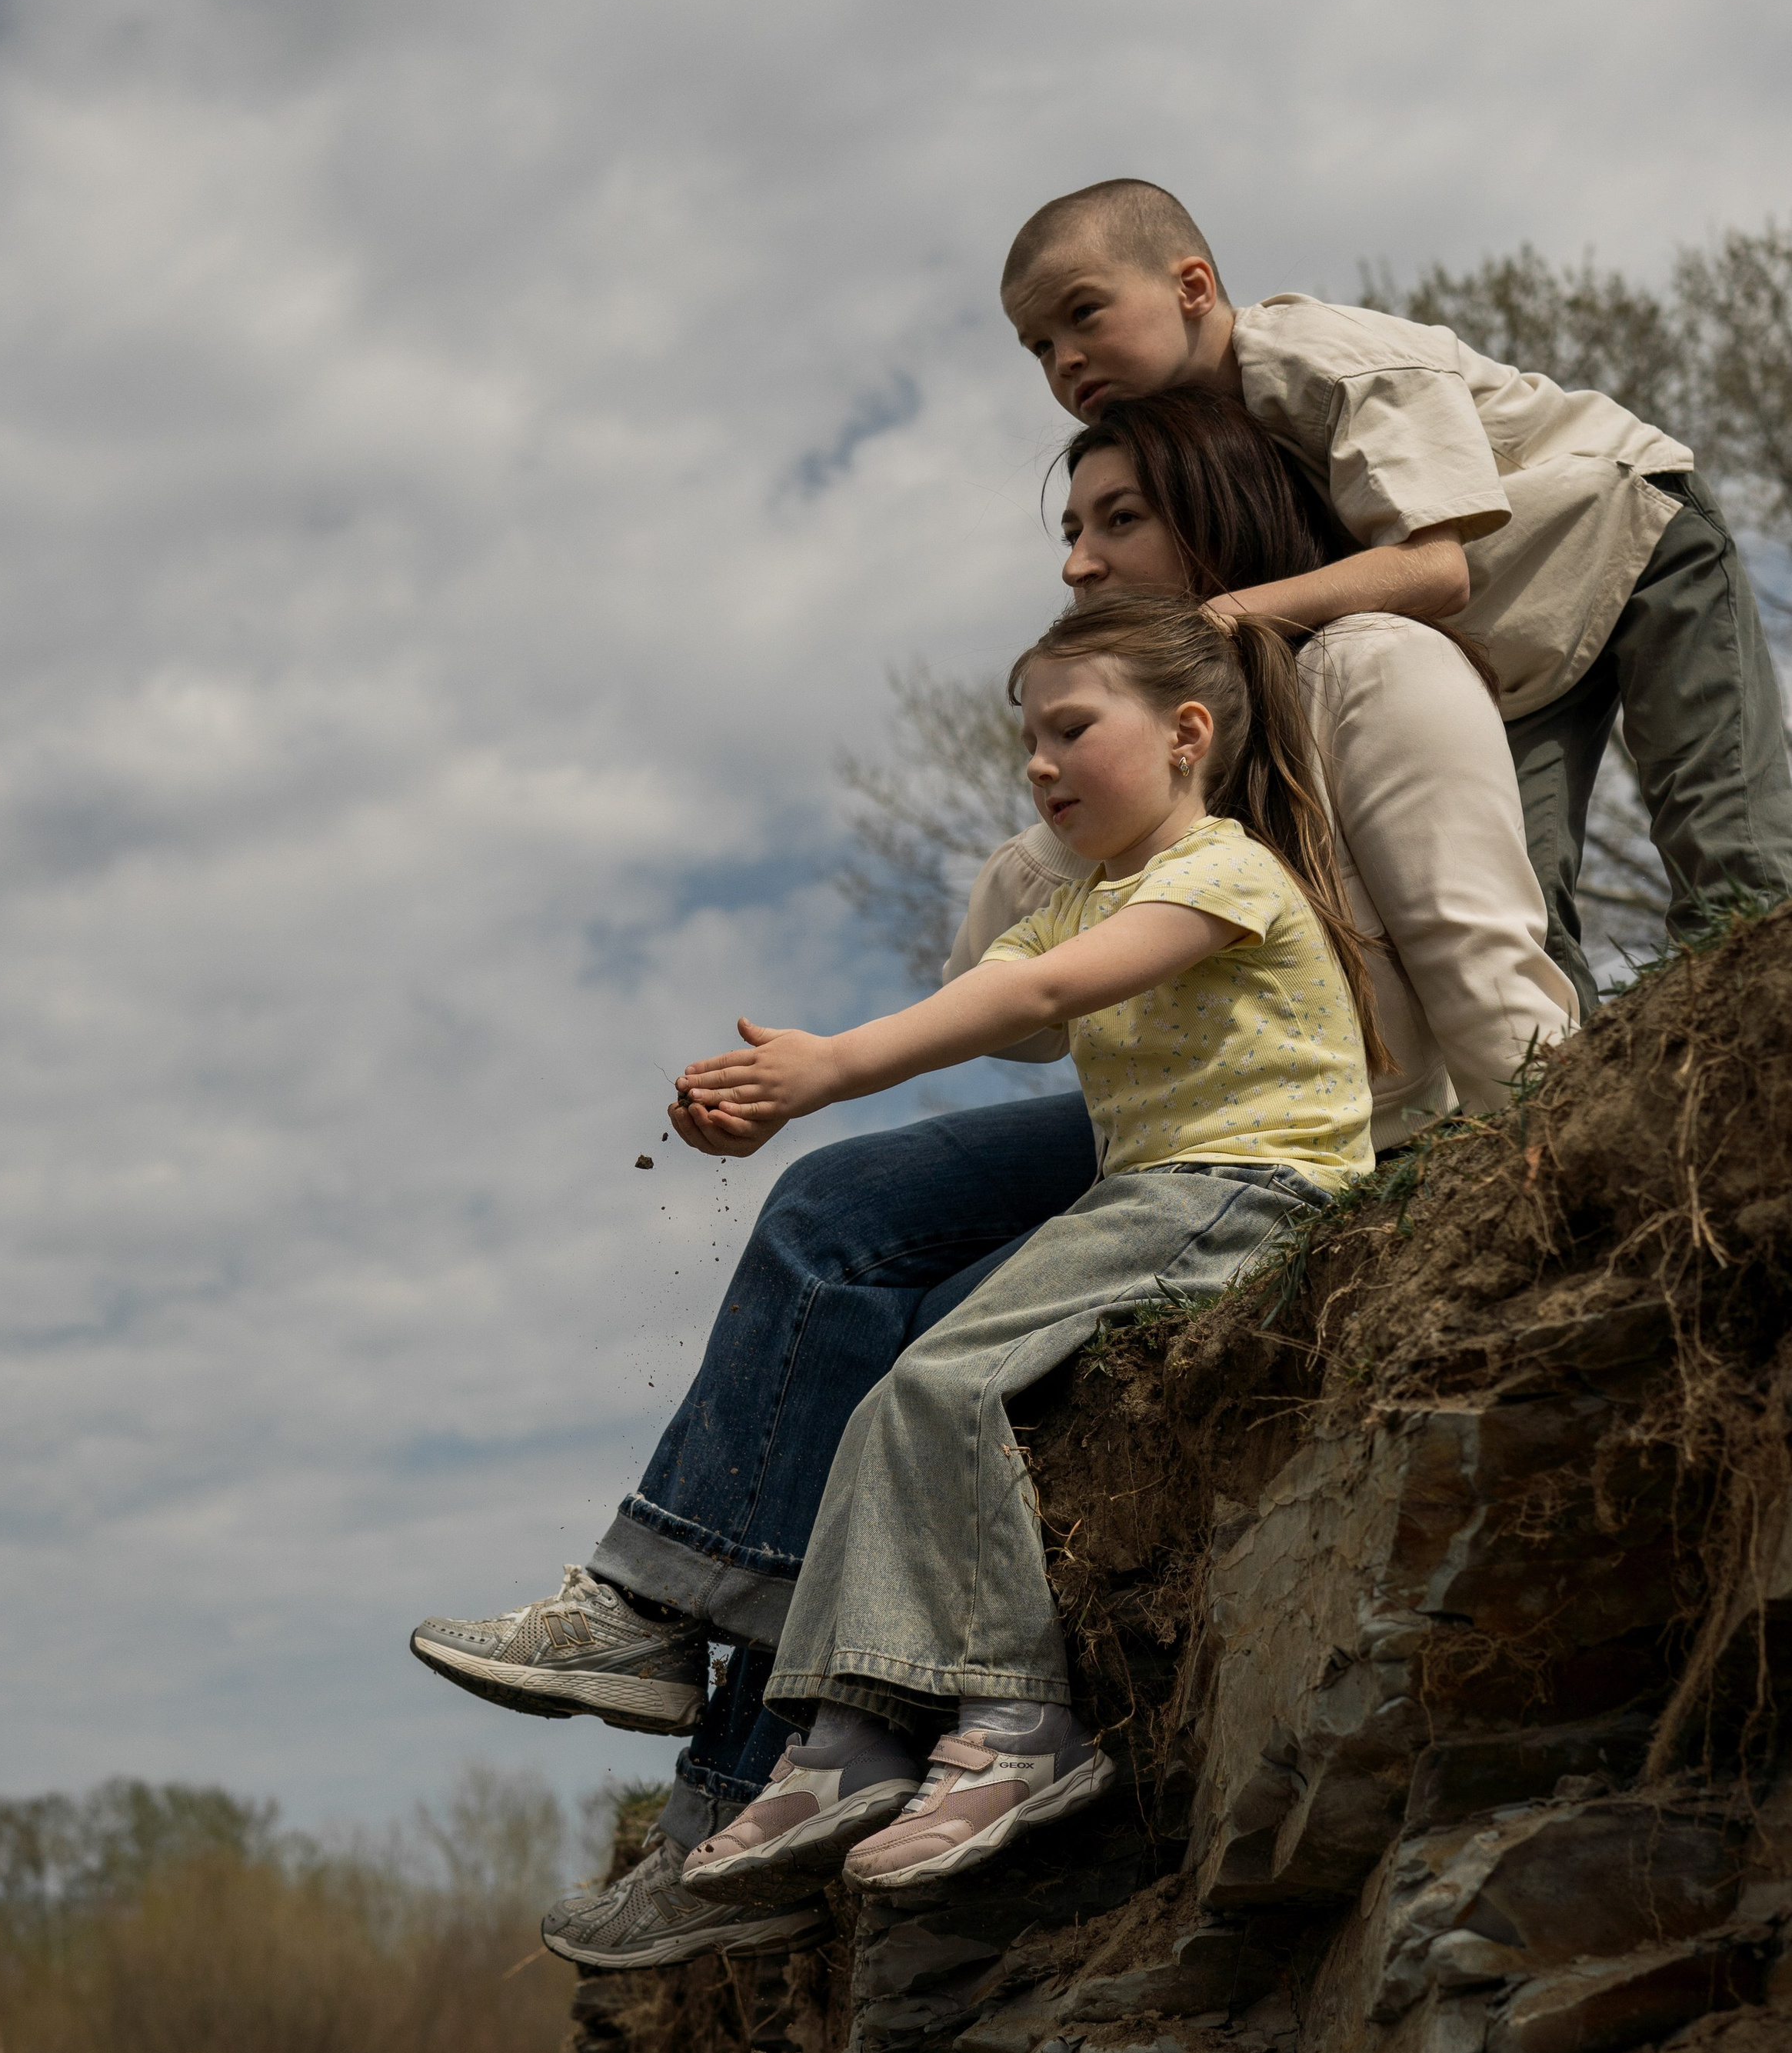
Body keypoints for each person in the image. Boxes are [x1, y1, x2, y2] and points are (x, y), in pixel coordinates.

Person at [412, 395, 1572, 1970]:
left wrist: (1541, 1169)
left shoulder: (1334, 715)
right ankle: (691, 1654)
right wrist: (789, 1075)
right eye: (1067, 534)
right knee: (833, 1236)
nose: (1083, 561)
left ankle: (924, 1738)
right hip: (1145, 1160)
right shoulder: (1096, 855)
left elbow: (1077, 997)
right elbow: (1004, 991)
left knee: (928, 1375)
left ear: (1191, 701)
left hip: (1285, 1158)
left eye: (1118, 524)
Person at [669, 590, 1374, 1903]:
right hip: (1156, 1195)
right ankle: (847, 1739)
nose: (1039, 763)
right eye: (1026, 742)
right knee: (897, 1394)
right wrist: (756, 1093)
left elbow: (1042, 996)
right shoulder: (1074, 901)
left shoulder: (1221, 867)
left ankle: (1013, 1727)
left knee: (946, 1385)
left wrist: (831, 1072)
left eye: (1069, 728)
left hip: (1255, 1183)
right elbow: (995, 998)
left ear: (1186, 733)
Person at [1001, 177, 1792, 1015]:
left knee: (1725, 849)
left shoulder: (1334, 364)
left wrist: (1228, 616)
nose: (1066, 360)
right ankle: (1556, 1112)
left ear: (1191, 288)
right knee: (1506, 901)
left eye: (1083, 314)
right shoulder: (1211, 450)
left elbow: (1433, 569)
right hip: (1496, 643)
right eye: (1039, 347)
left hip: (1631, 542)